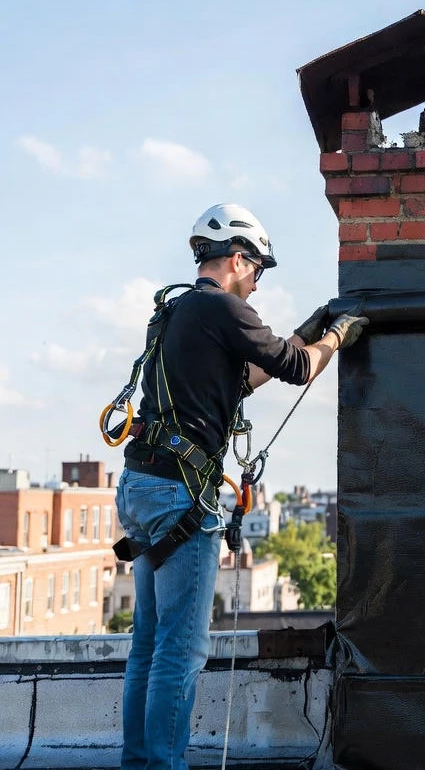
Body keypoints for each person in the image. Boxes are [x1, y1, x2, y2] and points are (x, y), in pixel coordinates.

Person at [114, 203, 367, 770]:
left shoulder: (177, 311)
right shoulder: (224, 307)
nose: (257, 283)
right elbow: (298, 368)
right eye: (257, 270)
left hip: (142, 485)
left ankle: (139, 762)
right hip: (179, 493)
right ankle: (162, 765)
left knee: (148, 646)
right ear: (236, 258)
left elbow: (243, 379)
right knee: (181, 651)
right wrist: (336, 337)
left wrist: (306, 332)